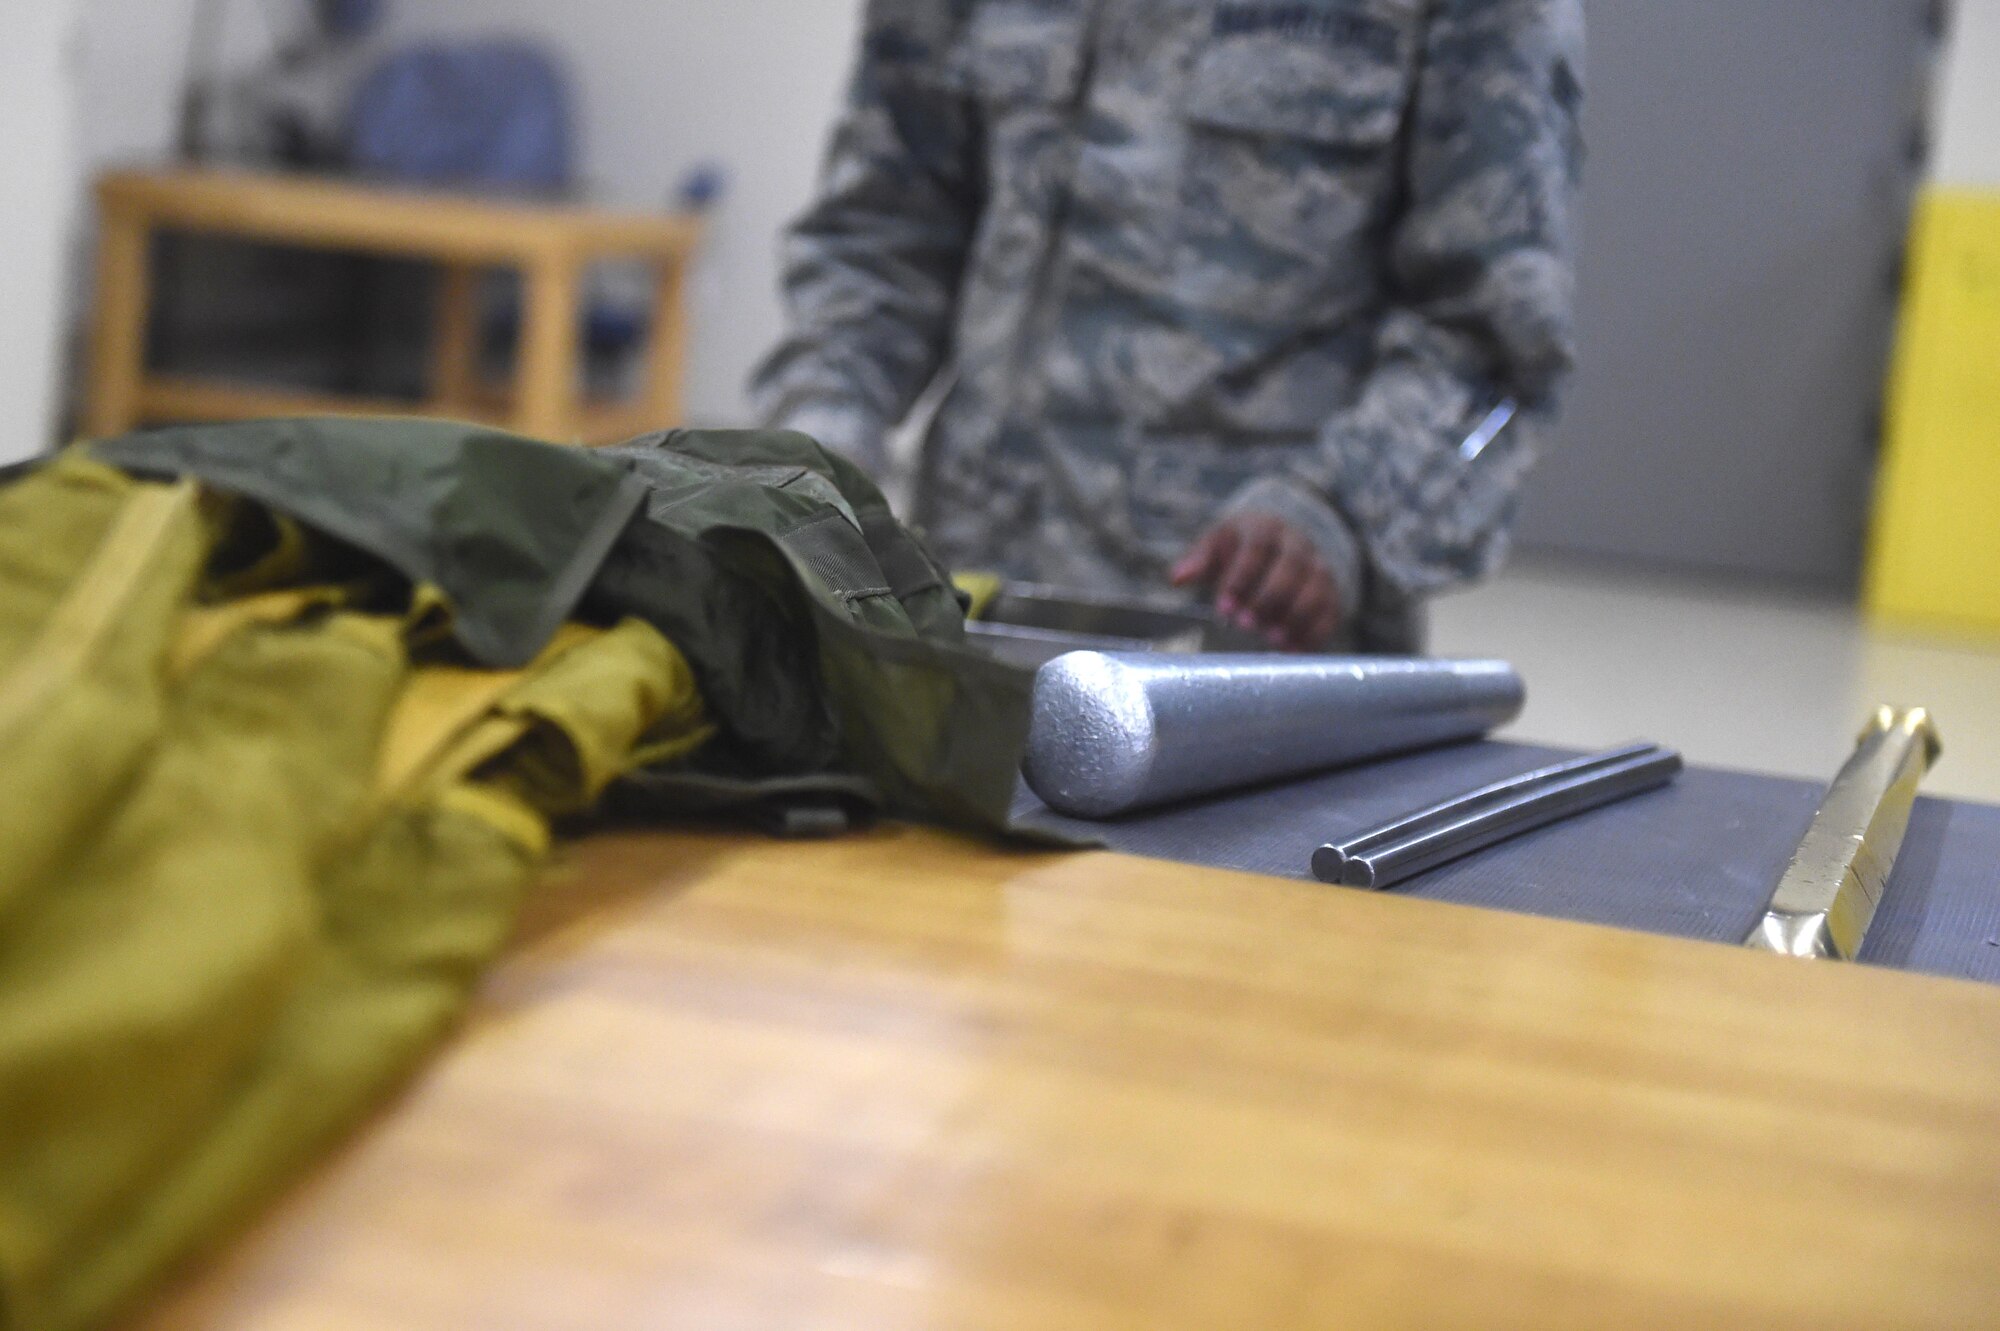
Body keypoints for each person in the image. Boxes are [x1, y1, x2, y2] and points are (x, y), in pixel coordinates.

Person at [750, 0, 1583, 651]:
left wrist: (1344, 510)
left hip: (1241, 655)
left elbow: (1491, 340)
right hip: (963, 611)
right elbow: (886, 229)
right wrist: (816, 453)